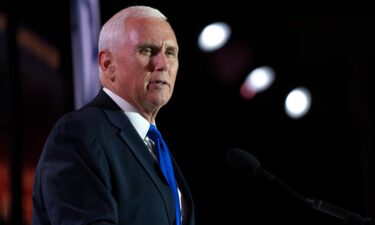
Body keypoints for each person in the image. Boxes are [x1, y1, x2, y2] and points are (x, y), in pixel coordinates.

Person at [31, 5, 195, 225]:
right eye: (146, 50)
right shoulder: (78, 133)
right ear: (108, 64)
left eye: (170, 52)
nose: (162, 64)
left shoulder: (155, 146)